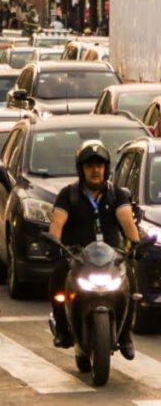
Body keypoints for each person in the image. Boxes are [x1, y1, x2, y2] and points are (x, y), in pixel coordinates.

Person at [48, 140, 140, 359]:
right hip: (77, 258)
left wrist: (135, 245)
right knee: (58, 276)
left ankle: (125, 335)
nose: (95, 170)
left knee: (132, 284)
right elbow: (57, 223)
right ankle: (62, 328)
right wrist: (55, 243)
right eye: (90, 166)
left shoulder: (117, 194)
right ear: (81, 169)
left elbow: (127, 222)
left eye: (99, 165)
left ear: (106, 168)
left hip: (111, 258)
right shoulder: (68, 195)